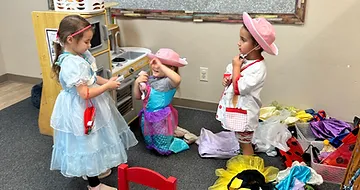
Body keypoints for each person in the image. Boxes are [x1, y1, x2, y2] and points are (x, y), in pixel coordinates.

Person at [49, 15, 138, 190]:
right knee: (88, 141)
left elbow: (90, 77)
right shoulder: (71, 64)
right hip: (81, 108)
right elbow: (85, 93)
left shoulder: (78, 54)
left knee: (94, 138)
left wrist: (106, 82)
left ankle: (93, 168)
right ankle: (94, 184)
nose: (89, 46)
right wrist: (108, 87)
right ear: (70, 39)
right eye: (87, 42)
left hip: (86, 106)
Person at [216, 12, 278, 155]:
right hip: (237, 108)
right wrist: (227, 77)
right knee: (241, 138)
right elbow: (230, 71)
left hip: (246, 112)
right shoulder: (243, 58)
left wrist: (236, 66)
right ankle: (244, 155)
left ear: (256, 46)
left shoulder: (258, 68)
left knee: (245, 143)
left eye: (243, 40)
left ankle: (248, 167)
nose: (238, 43)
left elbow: (239, 88)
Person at [134, 48, 196, 155]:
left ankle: (184, 139)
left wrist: (160, 64)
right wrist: (137, 82)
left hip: (160, 118)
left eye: (161, 64)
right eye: (154, 62)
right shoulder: (151, 79)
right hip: (147, 115)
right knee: (149, 140)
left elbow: (177, 79)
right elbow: (137, 96)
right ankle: (174, 132)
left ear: (171, 69)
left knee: (162, 147)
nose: (155, 66)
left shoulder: (168, 82)